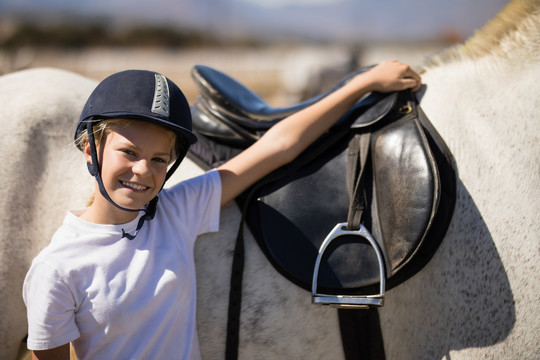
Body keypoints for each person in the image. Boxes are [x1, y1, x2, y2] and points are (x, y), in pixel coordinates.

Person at [23, 60, 421, 360]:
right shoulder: (55, 271)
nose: (143, 171)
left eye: (160, 159)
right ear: (92, 150)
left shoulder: (176, 211)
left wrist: (362, 84)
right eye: (129, 152)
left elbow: (276, 147)